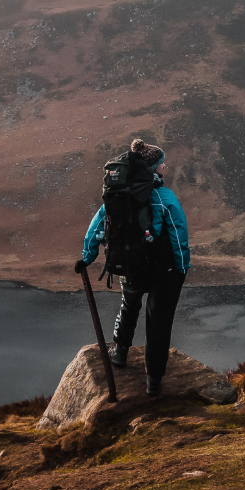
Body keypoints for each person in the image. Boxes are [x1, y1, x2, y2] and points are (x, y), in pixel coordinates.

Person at [76, 137, 190, 396]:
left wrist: (86, 257)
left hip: (131, 265)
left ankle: (120, 354)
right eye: (162, 164)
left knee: (129, 306)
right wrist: (182, 268)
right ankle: (153, 380)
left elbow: (96, 228)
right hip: (163, 270)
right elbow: (178, 234)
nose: (166, 167)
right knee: (159, 321)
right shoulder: (164, 197)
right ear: (153, 168)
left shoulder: (119, 197)